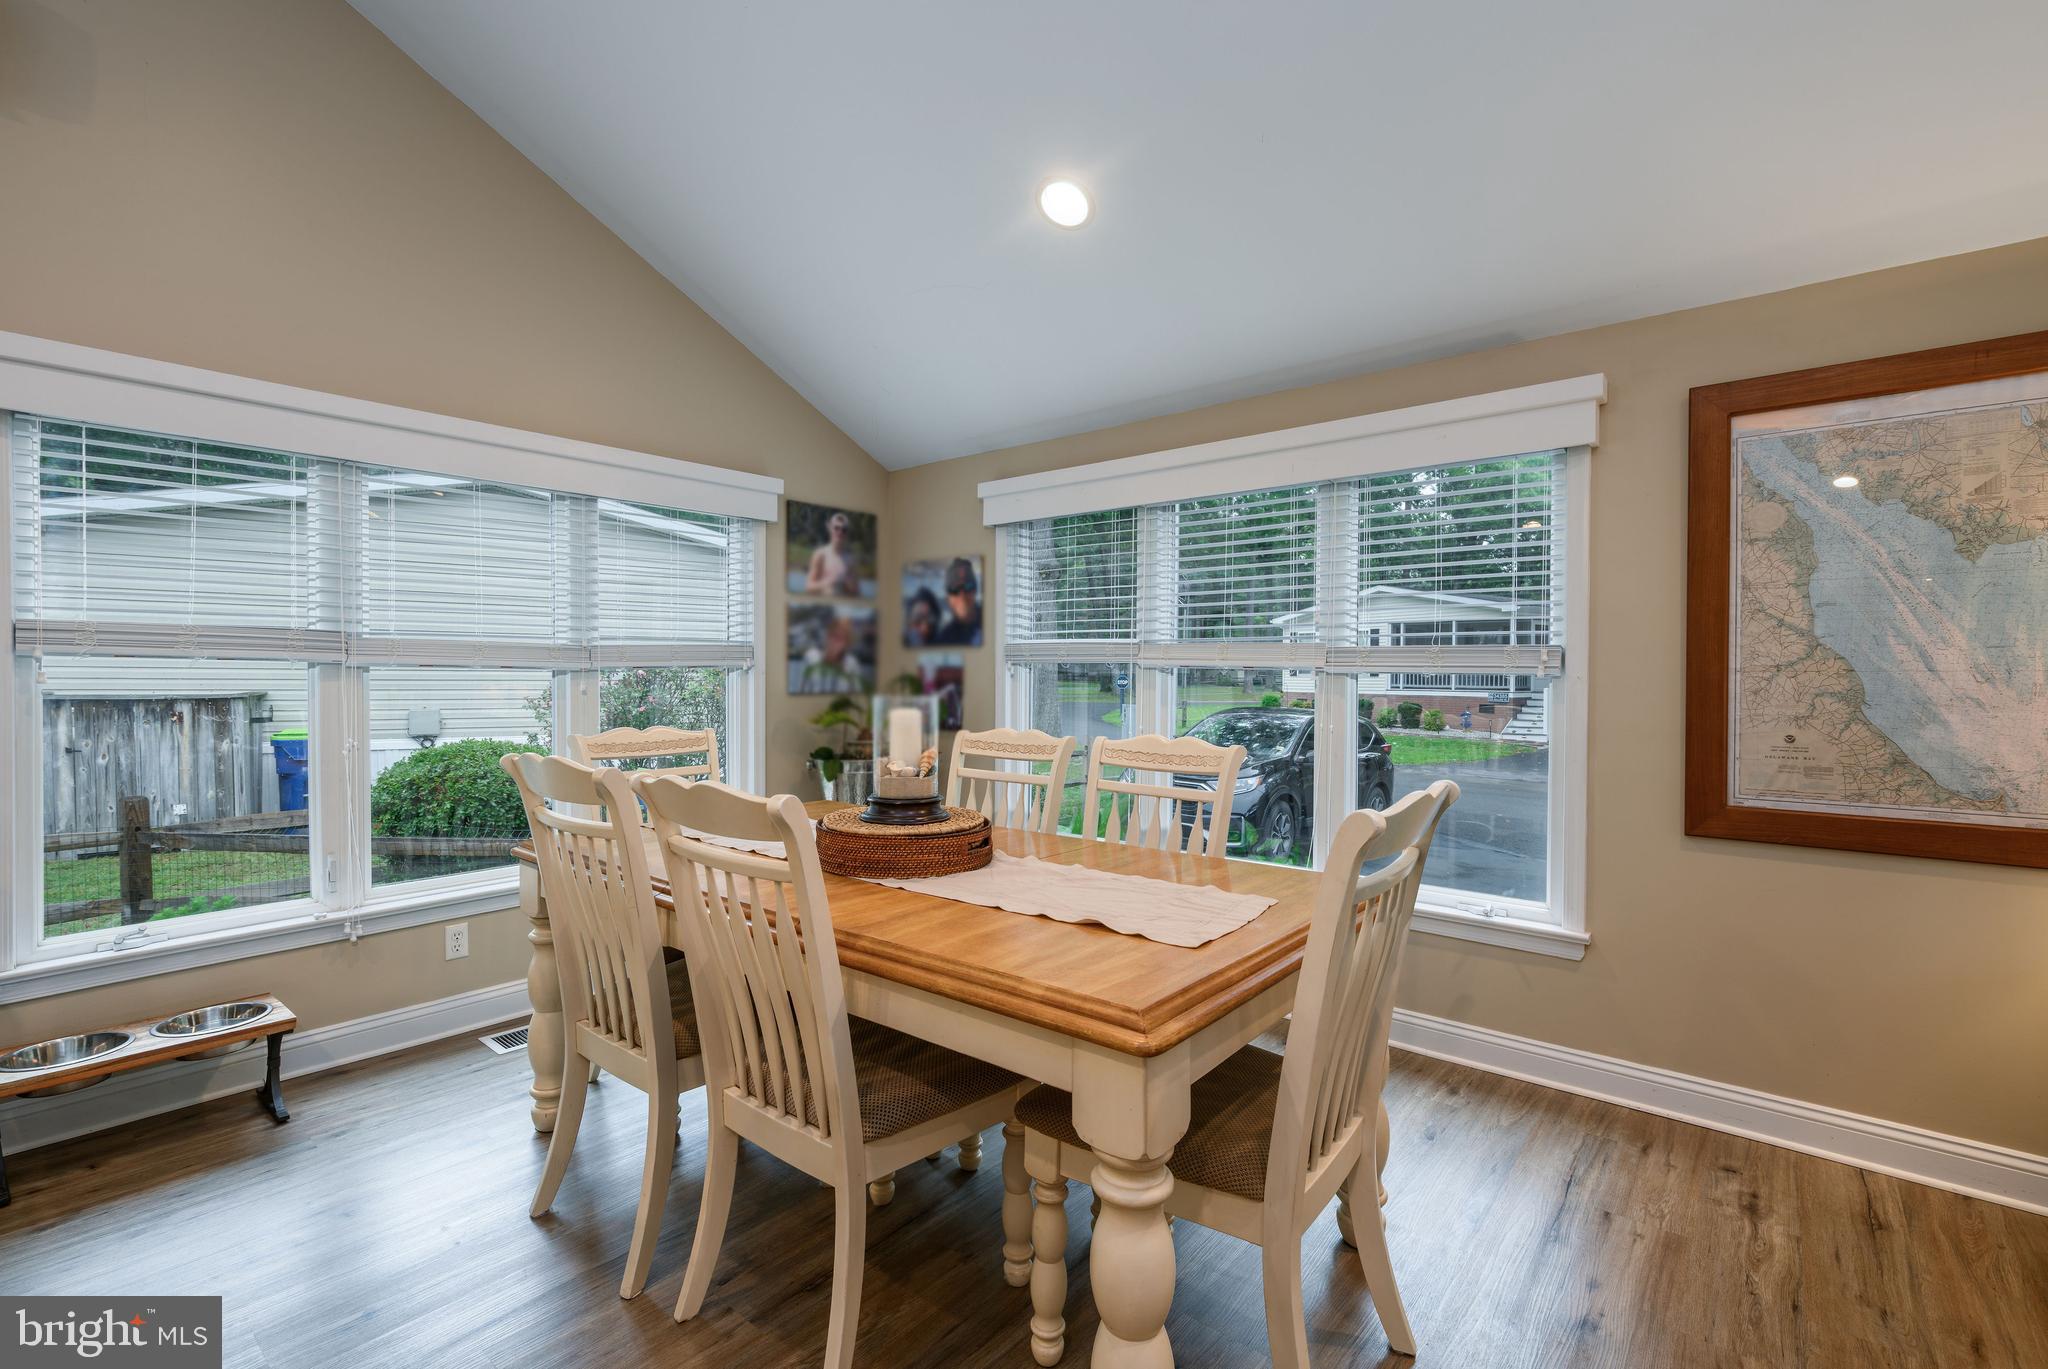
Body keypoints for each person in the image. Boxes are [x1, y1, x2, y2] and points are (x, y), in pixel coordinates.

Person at [805, 510, 862, 596]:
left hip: (842, 603)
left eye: (844, 530)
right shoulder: (820, 555)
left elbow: (857, 592)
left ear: (847, 532)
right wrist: (829, 582)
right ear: (830, 528)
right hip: (822, 602)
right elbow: (809, 587)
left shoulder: (851, 560)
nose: (840, 532)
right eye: (836, 528)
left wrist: (849, 585)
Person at [933, 557, 983, 645]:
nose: (962, 594)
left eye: (968, 586)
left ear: (975, 590)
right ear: (948, 598)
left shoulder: (994, 621)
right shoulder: (943, 641)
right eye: (954, 589)